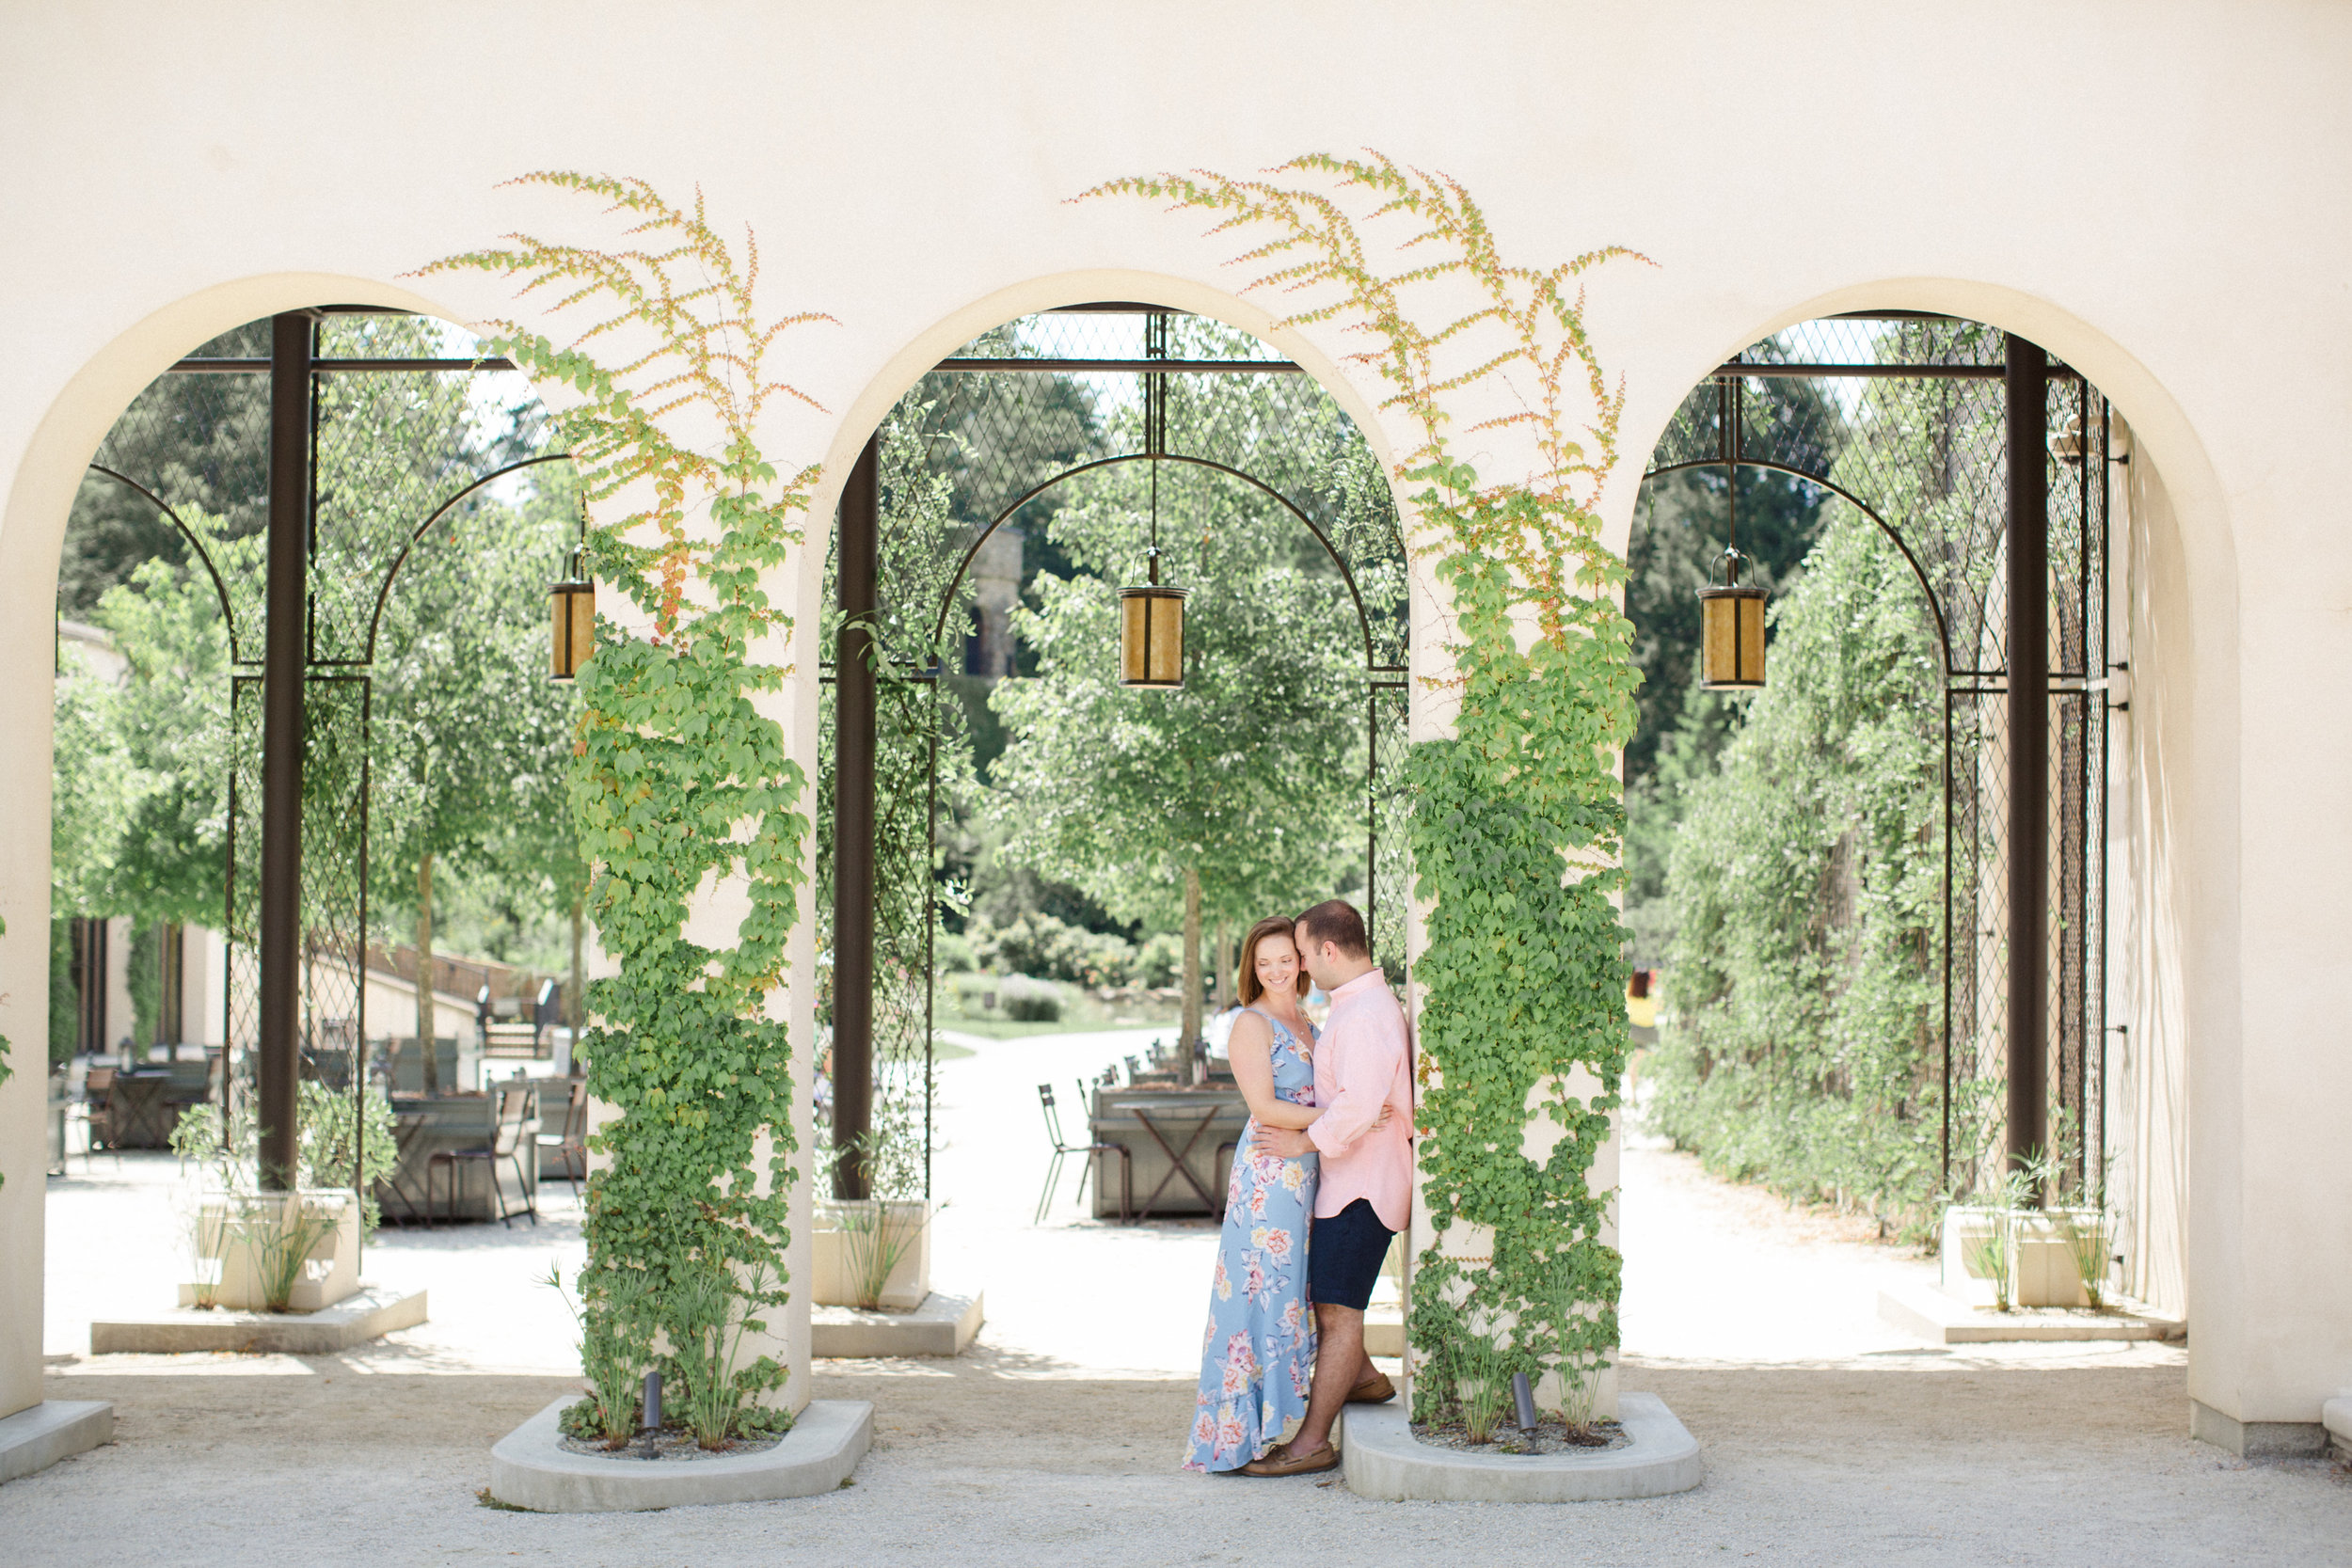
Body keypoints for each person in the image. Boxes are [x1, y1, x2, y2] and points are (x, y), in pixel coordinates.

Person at [1183, 914, 1391, 1473]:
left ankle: (1357, 1376)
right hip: (1272, 1177)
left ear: (1303, 962)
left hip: (1311, 1169)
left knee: (1299, 1290)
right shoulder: (1250, 1024)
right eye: (1263, 961)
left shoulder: (1305, 1017)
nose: (1276, 970)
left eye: (1285, 959)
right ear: (1250, 967)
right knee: (1264, 1295)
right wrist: (1352, 1117)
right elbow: (1266, 1109)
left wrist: (1351, 1117)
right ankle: (1238, 1435)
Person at [1237, 898, 1411, 1478]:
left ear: (1328, 951)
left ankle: (1312, 1441)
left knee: (1337, 1314)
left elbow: (1359, 1106)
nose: (1302, 964)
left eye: (1304, 953)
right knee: (1323, 1300)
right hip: (1347, 1182)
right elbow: (1357, 1102)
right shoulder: (1353, 1006)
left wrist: (1304, 1141)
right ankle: (1362, 1377)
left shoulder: (1361, 1016)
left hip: (1362, 1187)